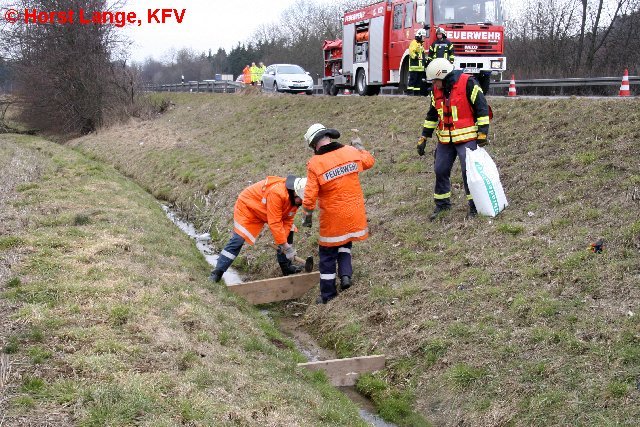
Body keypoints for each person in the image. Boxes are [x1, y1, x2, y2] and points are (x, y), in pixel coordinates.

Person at [301, 124, 375, 304]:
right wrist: (360, 147)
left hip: (333, 218)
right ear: (329, 137)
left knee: (327, 256)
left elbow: (310, 195)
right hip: (354, 213)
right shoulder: (350, 151)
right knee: (345, 244)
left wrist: (307, 216)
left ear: (314, 145)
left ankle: (328, 295)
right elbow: (369, 161)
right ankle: (346, 276)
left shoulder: (315, 163)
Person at [416, 58, 490, 221]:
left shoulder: (468, 83)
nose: (434, 84)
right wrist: (424, 136)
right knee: (440, 169)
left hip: (467, 138)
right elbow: (433, 114)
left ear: (442, 76)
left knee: (468, 172)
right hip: (445, 140)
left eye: (435, 80)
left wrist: (483, 133)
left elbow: (482, 108)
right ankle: (442, 205)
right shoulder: (436, 90)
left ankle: (474, 207)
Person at [209, 175, 307, 282]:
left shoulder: (295, 201)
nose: (300, 203)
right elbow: (274, 223)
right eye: (300, 199)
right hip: (249, 207)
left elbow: (287, 221)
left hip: (267, 211)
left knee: (288, 232)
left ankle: (287, 268)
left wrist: (285, 246)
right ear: (295, 192)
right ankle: (217, 273)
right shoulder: (278, 193)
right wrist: (286, 246)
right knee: (239, 239)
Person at [407, 29, 427, 96]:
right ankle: (409, 93)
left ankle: (416, 94)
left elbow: (422, 55)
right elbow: (411, 52)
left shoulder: (421, 44)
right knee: (412, 80)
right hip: (414, 67)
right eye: (423, 36)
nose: (424, 38)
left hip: (420, 68)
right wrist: (416, 57)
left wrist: (425, 62)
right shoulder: (414, 43)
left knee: (418, 82)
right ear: (419, 36)